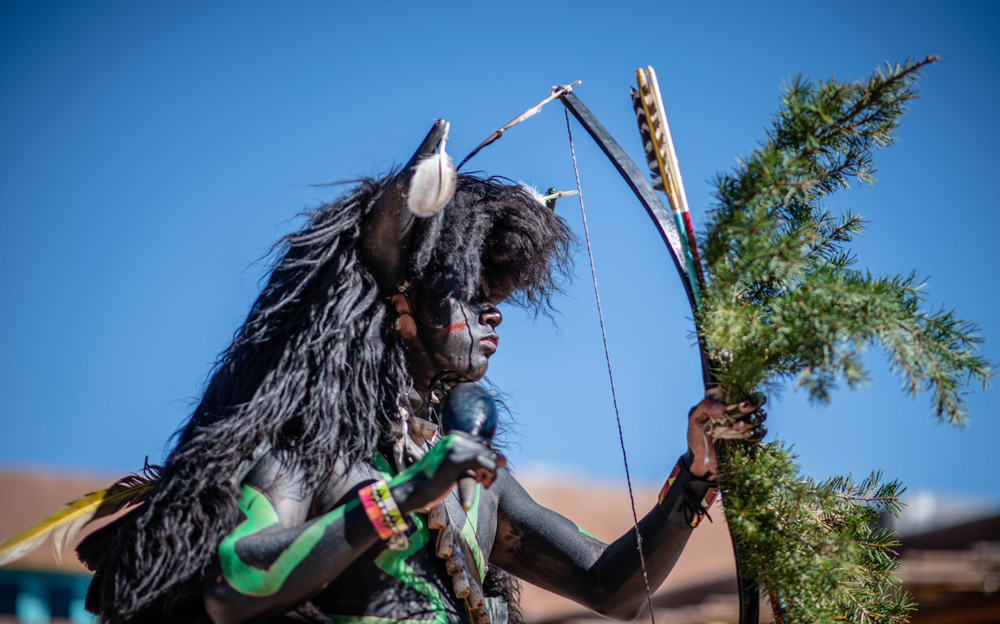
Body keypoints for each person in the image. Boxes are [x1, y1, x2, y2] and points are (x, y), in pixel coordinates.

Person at [75, 122, 767, 624]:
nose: (491, 319)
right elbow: (236, 588)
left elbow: (616, 587)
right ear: (401, 309)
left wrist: (698, 471)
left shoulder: (475, 483)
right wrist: (403, 495)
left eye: (495, 303)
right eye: (470, 298)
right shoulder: (313, 452)